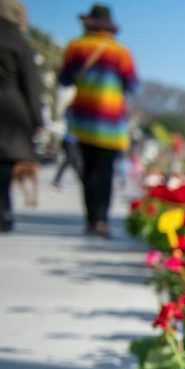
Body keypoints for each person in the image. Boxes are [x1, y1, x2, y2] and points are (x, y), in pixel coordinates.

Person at [58, 4, 138, 238]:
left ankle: (91, 220)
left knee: (89, 170)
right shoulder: (121, 52)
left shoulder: (76, 47)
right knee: (105, 173)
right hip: (112, 122)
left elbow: (65, 78)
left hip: (84, 119)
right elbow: (132, 84)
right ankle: (102, 220)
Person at [0, 0, 41, 233]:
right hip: (12, 109)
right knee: (5, 164)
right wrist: (37, 117)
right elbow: (31, 84)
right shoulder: (18, 42)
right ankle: (3, 210)